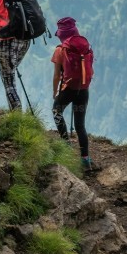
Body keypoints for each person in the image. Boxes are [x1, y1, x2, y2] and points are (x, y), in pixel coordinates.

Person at [51, 17, 94, 172]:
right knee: (80, 125)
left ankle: (65, 143)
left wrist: (55, 91)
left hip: (68, 90)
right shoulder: (86, 48)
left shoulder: (60, 50)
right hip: (83, 90)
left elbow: (57, 75)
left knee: (56, 111)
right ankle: (85, 160)